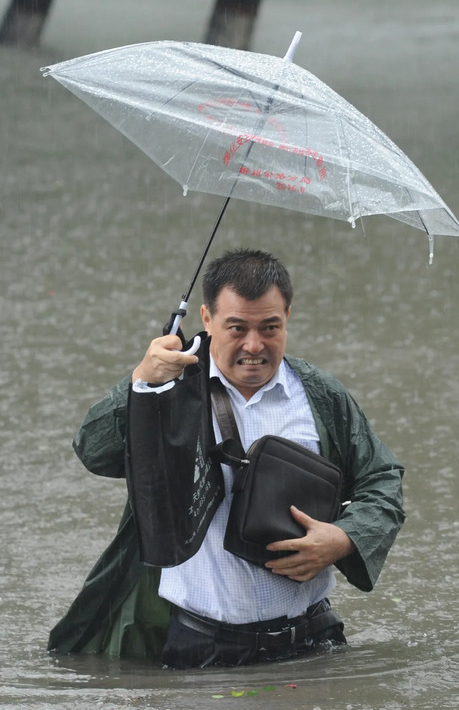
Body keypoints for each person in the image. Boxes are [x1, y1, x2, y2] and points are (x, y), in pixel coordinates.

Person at [48, 248, 405, 668]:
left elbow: (383, 480)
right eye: (237, 328)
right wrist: (139, 384)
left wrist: (343, 539)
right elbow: (93, 450)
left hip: (313, 642)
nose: (254, 345)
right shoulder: (168, 393)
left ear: (288, 315)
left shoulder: (321, 396)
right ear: (206, 318)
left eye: (270, 327)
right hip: (204, 648)